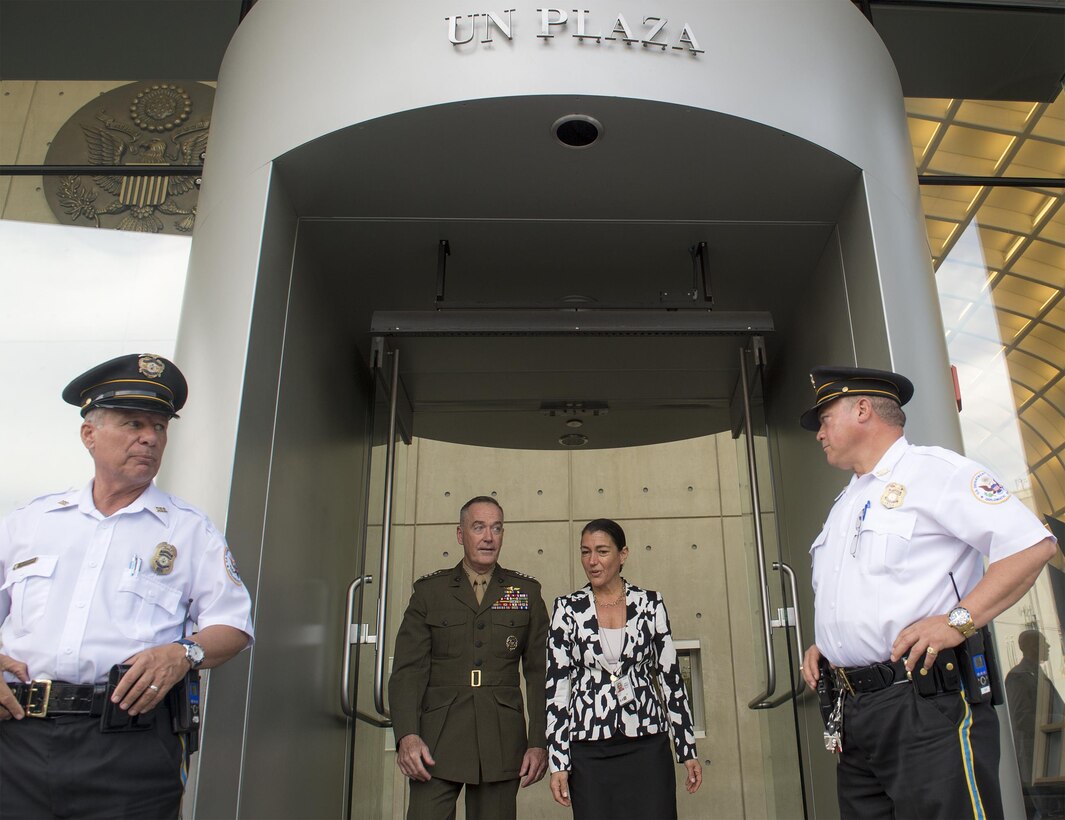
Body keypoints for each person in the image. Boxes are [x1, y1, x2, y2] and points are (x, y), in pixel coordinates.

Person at [0, 353, 254, 819]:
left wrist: (182, 653)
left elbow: (233, 625)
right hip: (17, 737)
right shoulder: (30, 522)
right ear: (89, 434)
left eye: (160, 427)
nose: (150, 438)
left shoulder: (189, 530)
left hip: (130, 744)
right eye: (133, 423)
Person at [798, 365, 1056, 820]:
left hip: (924, 703)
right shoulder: (845, 502)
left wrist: (958, 621)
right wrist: (833, 643)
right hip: (856, 712)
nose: (819, 433)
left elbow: (1032, 546)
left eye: (824, 418)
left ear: (862, 409)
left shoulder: (934, 472)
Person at [388, 495, 549, 820]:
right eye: (479, 527)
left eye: (496, 528)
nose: (488, 537)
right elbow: (408, 671)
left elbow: (540, 673)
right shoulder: (430, 592)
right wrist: (407, 735)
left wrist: (539, 742)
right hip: (435, 739)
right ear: (461, 534)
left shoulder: (522, 592)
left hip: (501, 739)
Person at [546, 518, 702, 818]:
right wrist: (558, 762)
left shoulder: (650, 604)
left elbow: (670, 678)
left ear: (623, 554)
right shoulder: (567, 609)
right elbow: (557, 688)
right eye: (585, 552)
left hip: (646, 743)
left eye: (602, 551)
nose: (592, 561)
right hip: (588, 748)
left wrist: (687, 748)